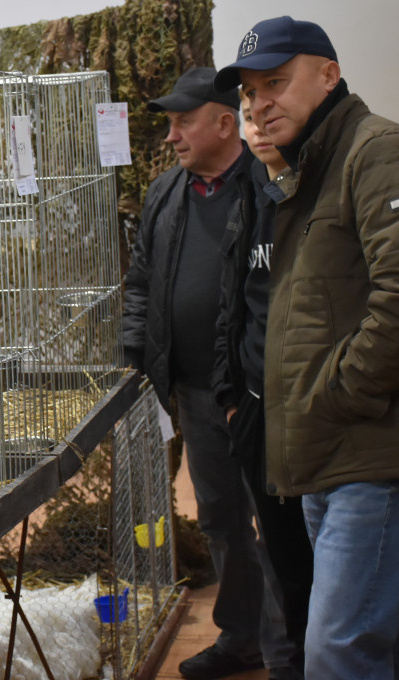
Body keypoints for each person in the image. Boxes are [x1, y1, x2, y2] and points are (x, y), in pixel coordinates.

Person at [216, 16, 399, 678]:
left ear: (328, 74)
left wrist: (336, 394)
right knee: (355, 638)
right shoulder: (303, 172)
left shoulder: (374, 152)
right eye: (249, 92)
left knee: (336, 648)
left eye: (275, 82)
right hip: (319, 453)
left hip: (362, 453)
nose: (260, 103)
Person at [122, 67, 268, 680]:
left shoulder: (268, 186)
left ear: (225, 124)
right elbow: (141, 282)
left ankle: (296, 642)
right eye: (170, 123)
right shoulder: (165, 193)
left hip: (261, 395)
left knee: (280, 519)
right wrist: (134, 356)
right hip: (195, 392)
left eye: (184, 122)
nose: (172, 135)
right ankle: (243, 638)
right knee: (221, 519)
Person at [210, 92, 312, 680]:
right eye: (250, 117)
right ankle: (289, 664)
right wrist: (232, 398)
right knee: (283, 557)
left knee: (330, 568)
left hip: (317, 414)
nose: (259, 127)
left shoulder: (323, 185)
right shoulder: (249, 191)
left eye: (265, 115)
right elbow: (235, 300)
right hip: (256, 412)